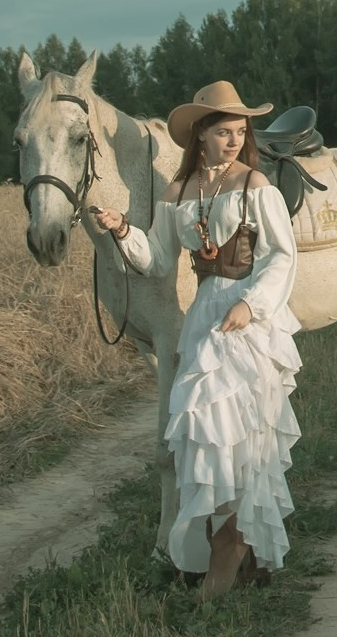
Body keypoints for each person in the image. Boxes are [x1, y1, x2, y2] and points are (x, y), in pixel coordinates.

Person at [92, 80, 301, 598]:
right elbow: (157, 260)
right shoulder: (179, 192)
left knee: (242, 432)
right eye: (224, 132)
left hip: (246, 313)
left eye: (240, 132)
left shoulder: (255, 185)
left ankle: (233, 547)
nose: (234, 141)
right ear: (200, 135)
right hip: (204, 313)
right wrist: (122, 230)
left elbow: (282, 255)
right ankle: (223, 543)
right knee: (204, 431)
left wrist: (251, 305)